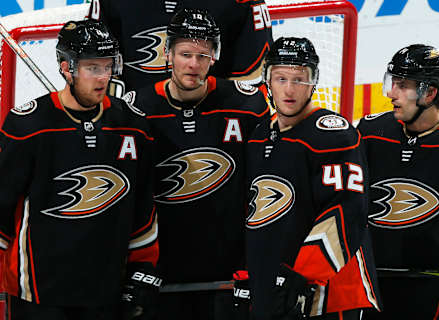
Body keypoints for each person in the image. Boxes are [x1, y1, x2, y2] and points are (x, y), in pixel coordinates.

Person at [0, 19, 159, 320]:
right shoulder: (27, 127)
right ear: (65, 68)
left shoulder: (133, 127)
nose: (102, 78)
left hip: (105, 292)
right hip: (39, 294)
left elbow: (143, 209)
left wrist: (141, 269)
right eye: (91, 68)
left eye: (107, 66)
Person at [123, 8, 270, 320]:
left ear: (214, 57)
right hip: (159, 275)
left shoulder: (248, 106)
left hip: (227, 274)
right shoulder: (134, 112)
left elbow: (263, 191)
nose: (193, 64)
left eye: (202, 56)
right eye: (185, 54)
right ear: (167, 54)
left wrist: (256, 263)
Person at [244, 36, 381, 320]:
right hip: (280, 288)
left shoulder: (333, 135)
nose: (290, 89)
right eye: (281, 78)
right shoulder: (258, 136)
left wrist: (302, 277)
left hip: (332, 293)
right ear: (267, 80)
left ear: (313, 81)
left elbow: (346, 212)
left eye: (299, 79)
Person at [357, 44, 439, 319]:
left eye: (402, 85)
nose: (391, 93)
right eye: (392, 82)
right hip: (375, 285)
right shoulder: (370, 133)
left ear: (430, 92)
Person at [87, 0, 273, 96]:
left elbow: (252, 86)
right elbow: (94, 73)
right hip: (137, 134)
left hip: (215, 134)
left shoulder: (243, 3)